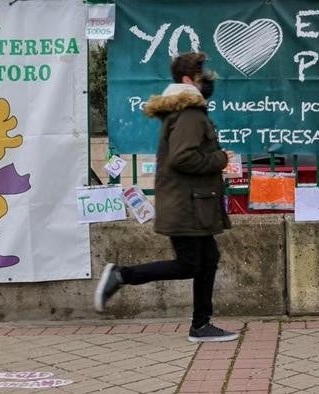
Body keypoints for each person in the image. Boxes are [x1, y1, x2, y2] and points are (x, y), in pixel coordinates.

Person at [94, 51, 237, 343]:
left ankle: (201, 325)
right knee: (190, 264)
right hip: (187, 204)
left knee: (208, 259)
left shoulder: (186, 112)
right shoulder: (190, 115)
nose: (208, 79)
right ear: (187, 81)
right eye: (202, 75)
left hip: (192, 202)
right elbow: (182, 158)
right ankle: (121, 275)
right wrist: (219, 159)